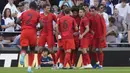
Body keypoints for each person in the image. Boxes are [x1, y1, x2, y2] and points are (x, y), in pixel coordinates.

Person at [17, 1, 40, 73]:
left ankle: (23, 55)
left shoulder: (24, 13)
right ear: (35, 7)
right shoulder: (37, 14)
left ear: (30, 6)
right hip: (32, 32)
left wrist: (22, 26)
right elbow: (42, 25)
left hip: (24, 31)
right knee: (32, 50)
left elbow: (17, 21)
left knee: (24, 48)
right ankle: (29, 68)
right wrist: (37, 29)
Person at [37, 4, 57, 69]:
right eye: (48, 8)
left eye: (49, 8)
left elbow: (58, 22)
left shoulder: (52, 15)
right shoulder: (40, 15)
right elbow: (36, 23)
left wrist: (56, 29)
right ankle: (38, 65)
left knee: (51, 50)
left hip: (50, 34)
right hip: (42, 34)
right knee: (39, 49)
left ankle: (55, 64)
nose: (49, 9)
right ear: (44, 9)